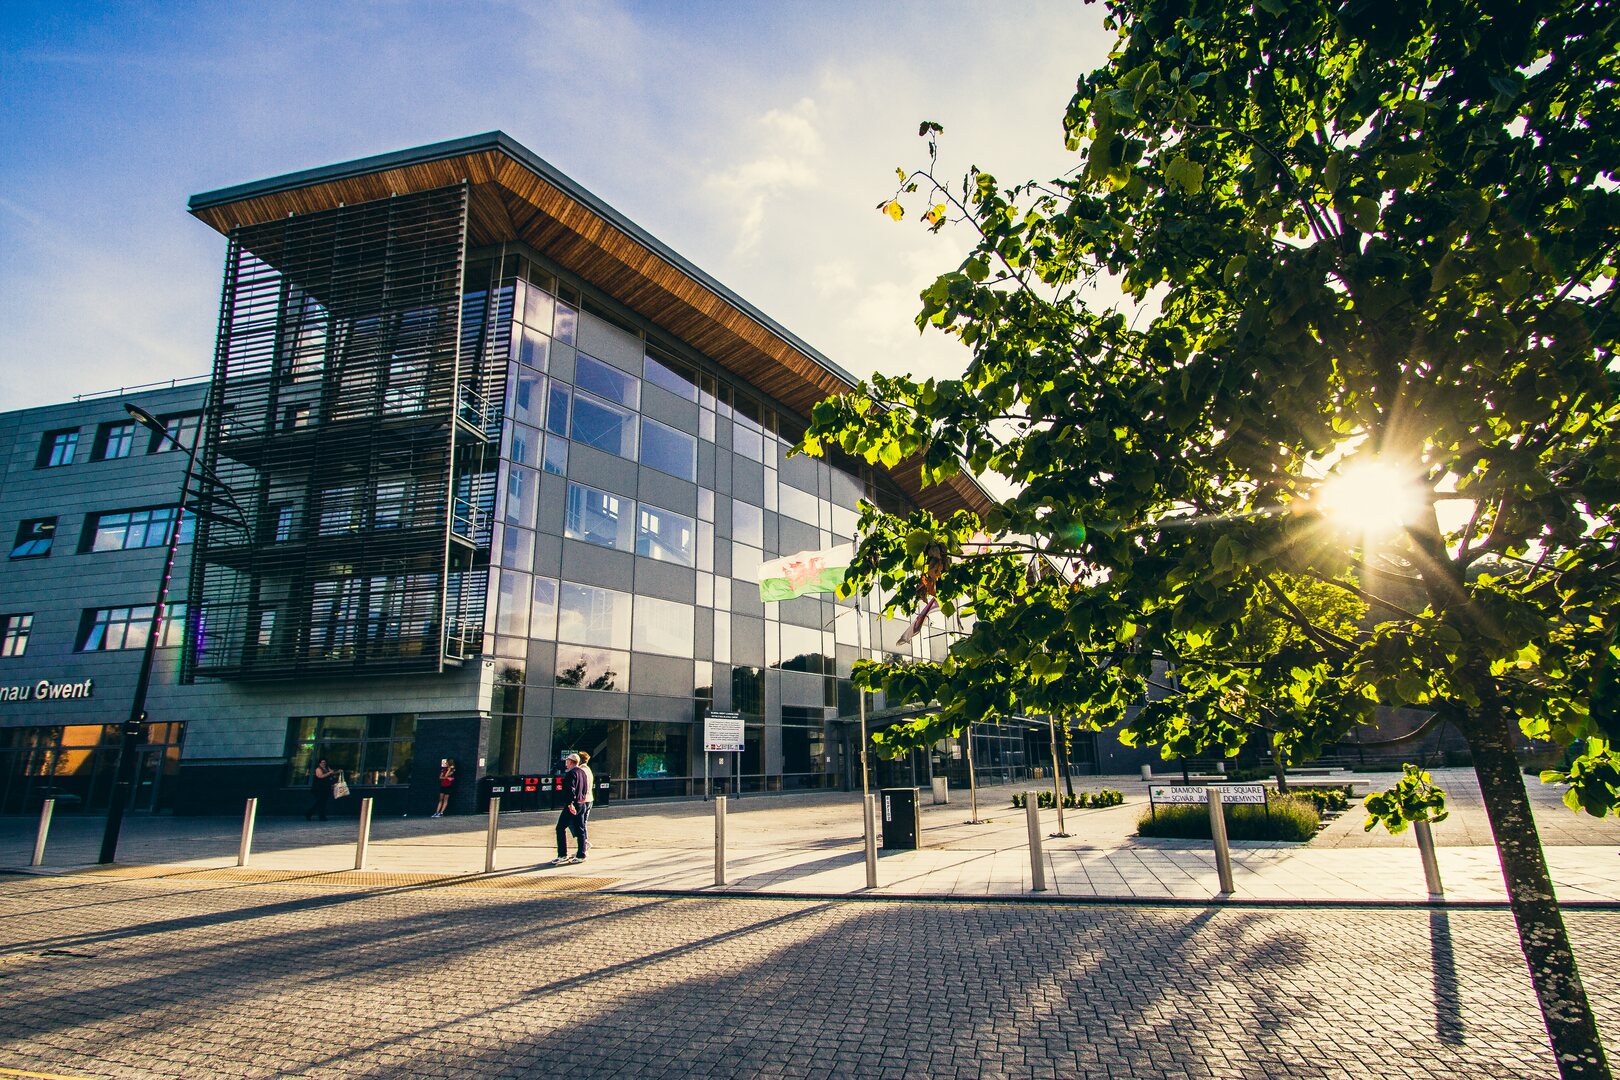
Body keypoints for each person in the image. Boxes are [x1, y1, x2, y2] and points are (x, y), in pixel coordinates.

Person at [553, 753, 587, 864]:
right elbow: (585, 788)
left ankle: (562, 854)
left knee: (560, 827)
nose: (566, 763)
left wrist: (570, 803)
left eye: (567, 761)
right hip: (582, 803)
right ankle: (581, 854)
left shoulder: (571, 774)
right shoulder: (582, 773)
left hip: (573, 804)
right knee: (580, 829)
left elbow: (570, 789)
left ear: (571, 762)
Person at [577, 750, 595, 856]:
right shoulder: (588, 770)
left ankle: (584, 844)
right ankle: (584, 843)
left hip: (583, 800)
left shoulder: (581, 770)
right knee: (583, 823)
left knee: (578, 823)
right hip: (589, 799)